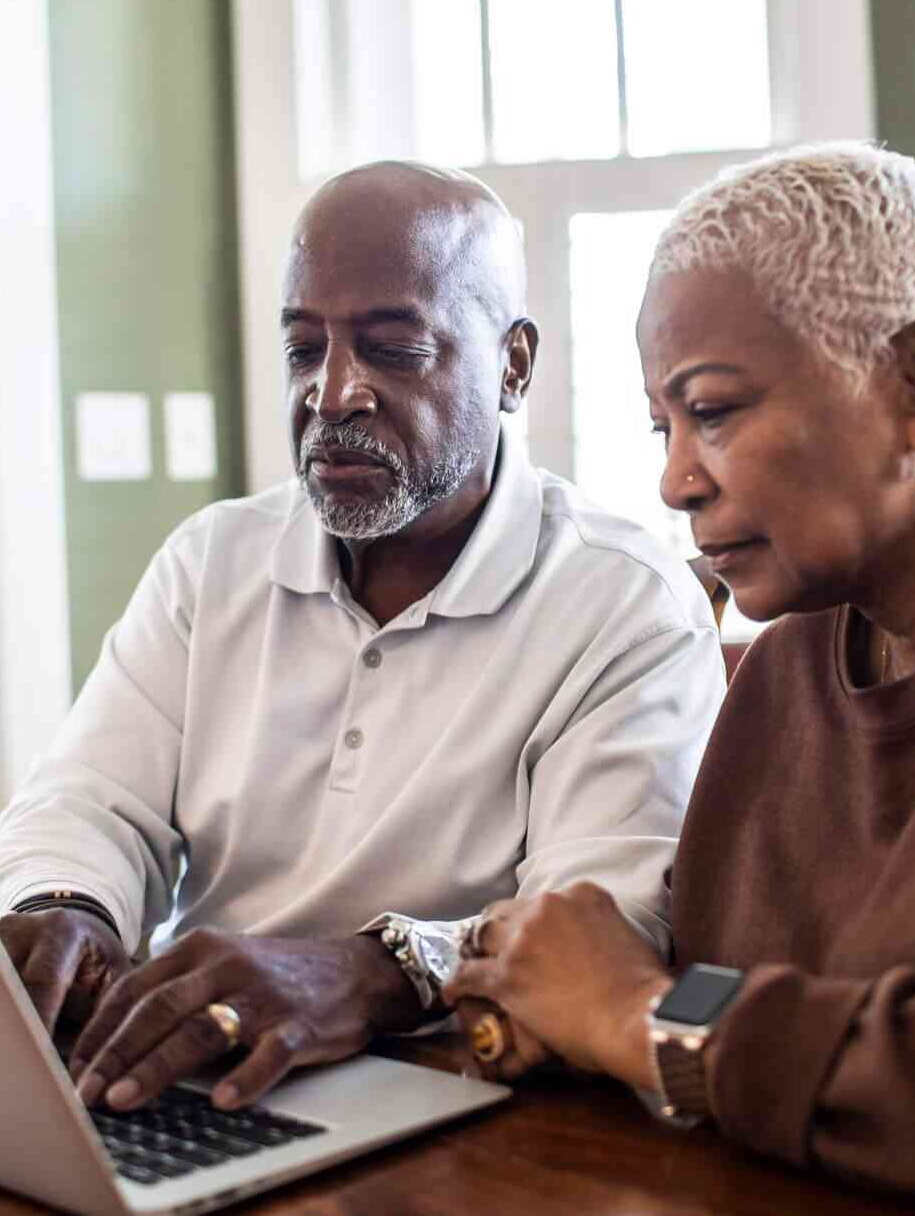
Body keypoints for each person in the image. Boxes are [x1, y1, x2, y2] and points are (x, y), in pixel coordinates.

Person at [0, 162, 722, 1114]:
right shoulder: (213, 560)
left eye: (391, 348)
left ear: (513, 364)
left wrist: (372, 972)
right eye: (304, 350)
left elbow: (602, 927)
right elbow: (89, 802)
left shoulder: (624, 601)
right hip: (186, 1073)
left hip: (461, 1089)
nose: (331, 393)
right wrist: (66, 907)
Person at [446, 142, 915, 1212]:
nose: (676, 479)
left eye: (714, 410)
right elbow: (718, 999)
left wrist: (638, 1019)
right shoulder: (780, 675)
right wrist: (567, 1009)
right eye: (662, 425)